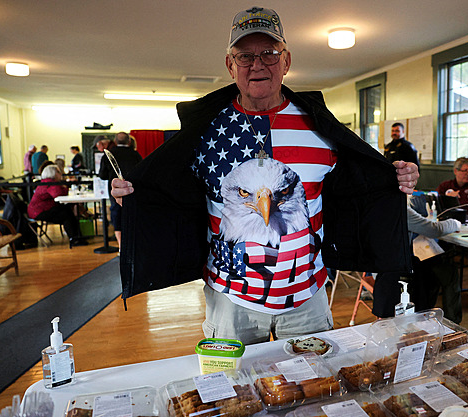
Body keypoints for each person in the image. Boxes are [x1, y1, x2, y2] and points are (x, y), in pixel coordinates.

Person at [111, 6, 419, 345]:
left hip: (308, 294)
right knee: (230, 393)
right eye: (245, 56)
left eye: (269, 53)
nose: (257, 64)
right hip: (230, 301)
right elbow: (172, 193)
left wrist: (399, 177)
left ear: (286, 61)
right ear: (230, 65)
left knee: (315, 391)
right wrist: (134, 194)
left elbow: (358, 186)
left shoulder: (321, 128)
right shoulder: (204, 132)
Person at [373, 205, 463, 321]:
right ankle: (452, 323)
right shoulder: (399, 208)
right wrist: (455, 223)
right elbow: (434, 230)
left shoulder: (372, 207)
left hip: (380, 271)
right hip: (401, 272)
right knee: (449, 272)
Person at [98, 131, 142, 249]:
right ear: (129, 141)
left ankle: (121, 247)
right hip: (133, 191)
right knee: (132, 215)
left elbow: (102, 175)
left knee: (117, 215)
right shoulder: (135, 154)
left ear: (115, 142)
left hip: (116, 192)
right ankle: (132, 245)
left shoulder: (108, 154)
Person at [27, 165, 88, 248]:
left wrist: (64, 186)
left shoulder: (47, 181)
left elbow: (61, 192)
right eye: (58, 172)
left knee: (67, 210)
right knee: (66, 214)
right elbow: (58, 193)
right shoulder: (50, 182)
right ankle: (74, 238)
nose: (61, 174)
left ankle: (76, 237)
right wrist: (65, 185)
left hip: (40, 209)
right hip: (39, 211)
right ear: (54, 173)